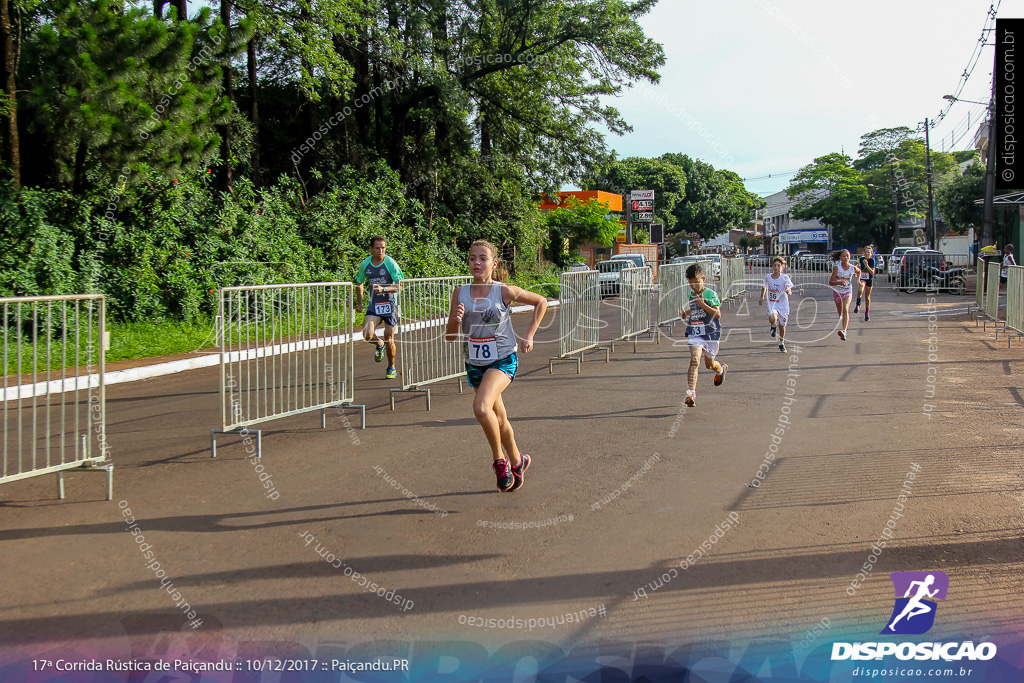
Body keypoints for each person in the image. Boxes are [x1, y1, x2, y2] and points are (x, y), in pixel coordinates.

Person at [444, 240, 548, 492]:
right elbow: (449, 337)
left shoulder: (503, 291)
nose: (476, 263)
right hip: (475, 363)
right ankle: (518, 460)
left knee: (481, 408)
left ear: (494, 263)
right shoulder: (460, 292)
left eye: (482, 258)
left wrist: (530, 334)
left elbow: (541, 302)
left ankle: (499, 461)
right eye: (472, 258)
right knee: (498, 419)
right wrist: (455, 321)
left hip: (502, 360)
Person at [355, 236, 405, 379]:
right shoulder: (365, 264)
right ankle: (379, 343)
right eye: (377, 248)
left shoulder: (390, 263)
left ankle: (391, 367)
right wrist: (359, 303)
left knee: (390, 338)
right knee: (367, 334)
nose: (381, 250)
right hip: (374, 305)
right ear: (371, 249)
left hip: (390, 305)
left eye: (383, 247)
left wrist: (384, 289)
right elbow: (359, 282)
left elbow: (400, 285)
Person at [681, 263, 727, 407]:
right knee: (695, 360)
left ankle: (721, 370)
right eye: (690, 284)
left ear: (703, 279)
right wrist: (685, 313)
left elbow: (717, 314)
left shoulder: (709, 294)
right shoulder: (691, 294)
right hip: (695, 332)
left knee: (710, 365)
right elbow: (694, 309)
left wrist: (703, 305)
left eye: (696, 282)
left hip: (711, 333)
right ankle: (691, 393)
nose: (693, 286)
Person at [759, 256, 794, 353]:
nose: (776, 268)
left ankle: (781, 342)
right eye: (774, 265)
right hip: (772, 302)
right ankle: (773, 325)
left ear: (783, 267)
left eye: (778, 266)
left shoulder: (785, 278)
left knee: (782, 326)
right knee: (772, 318)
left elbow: (789, 289)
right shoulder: (768, 277)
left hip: (783, 304)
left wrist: (788, 291)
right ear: (772, 266)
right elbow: (764, 287)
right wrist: (762, 297)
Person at [829, 249, 861, 341]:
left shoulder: (852, 267)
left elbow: (858, 271)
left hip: (847, 291)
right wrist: (839, 282)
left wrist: (858, 280)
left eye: (847, 256)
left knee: (845, 310)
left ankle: (844, 331)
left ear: (850, 257)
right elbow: (831, 282)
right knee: (841, 314)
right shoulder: (837, 268)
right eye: (843, 256)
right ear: (840, 258)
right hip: (837, 292)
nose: (846, 258)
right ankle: (842, 322)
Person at [854, 245, 877, 321]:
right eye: (866, 252)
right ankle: (858, 304)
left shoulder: (872, 261)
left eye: (869, 252)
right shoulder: (861, 259)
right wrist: (855, 271)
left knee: (867, 297)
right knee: (860, 290)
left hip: (869, 279)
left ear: (871, 253)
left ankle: (867, 312)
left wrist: (866, 265)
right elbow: (855, 265)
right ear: (863, 253)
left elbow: (872, 272)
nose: (867, 254)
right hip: (862, 278)